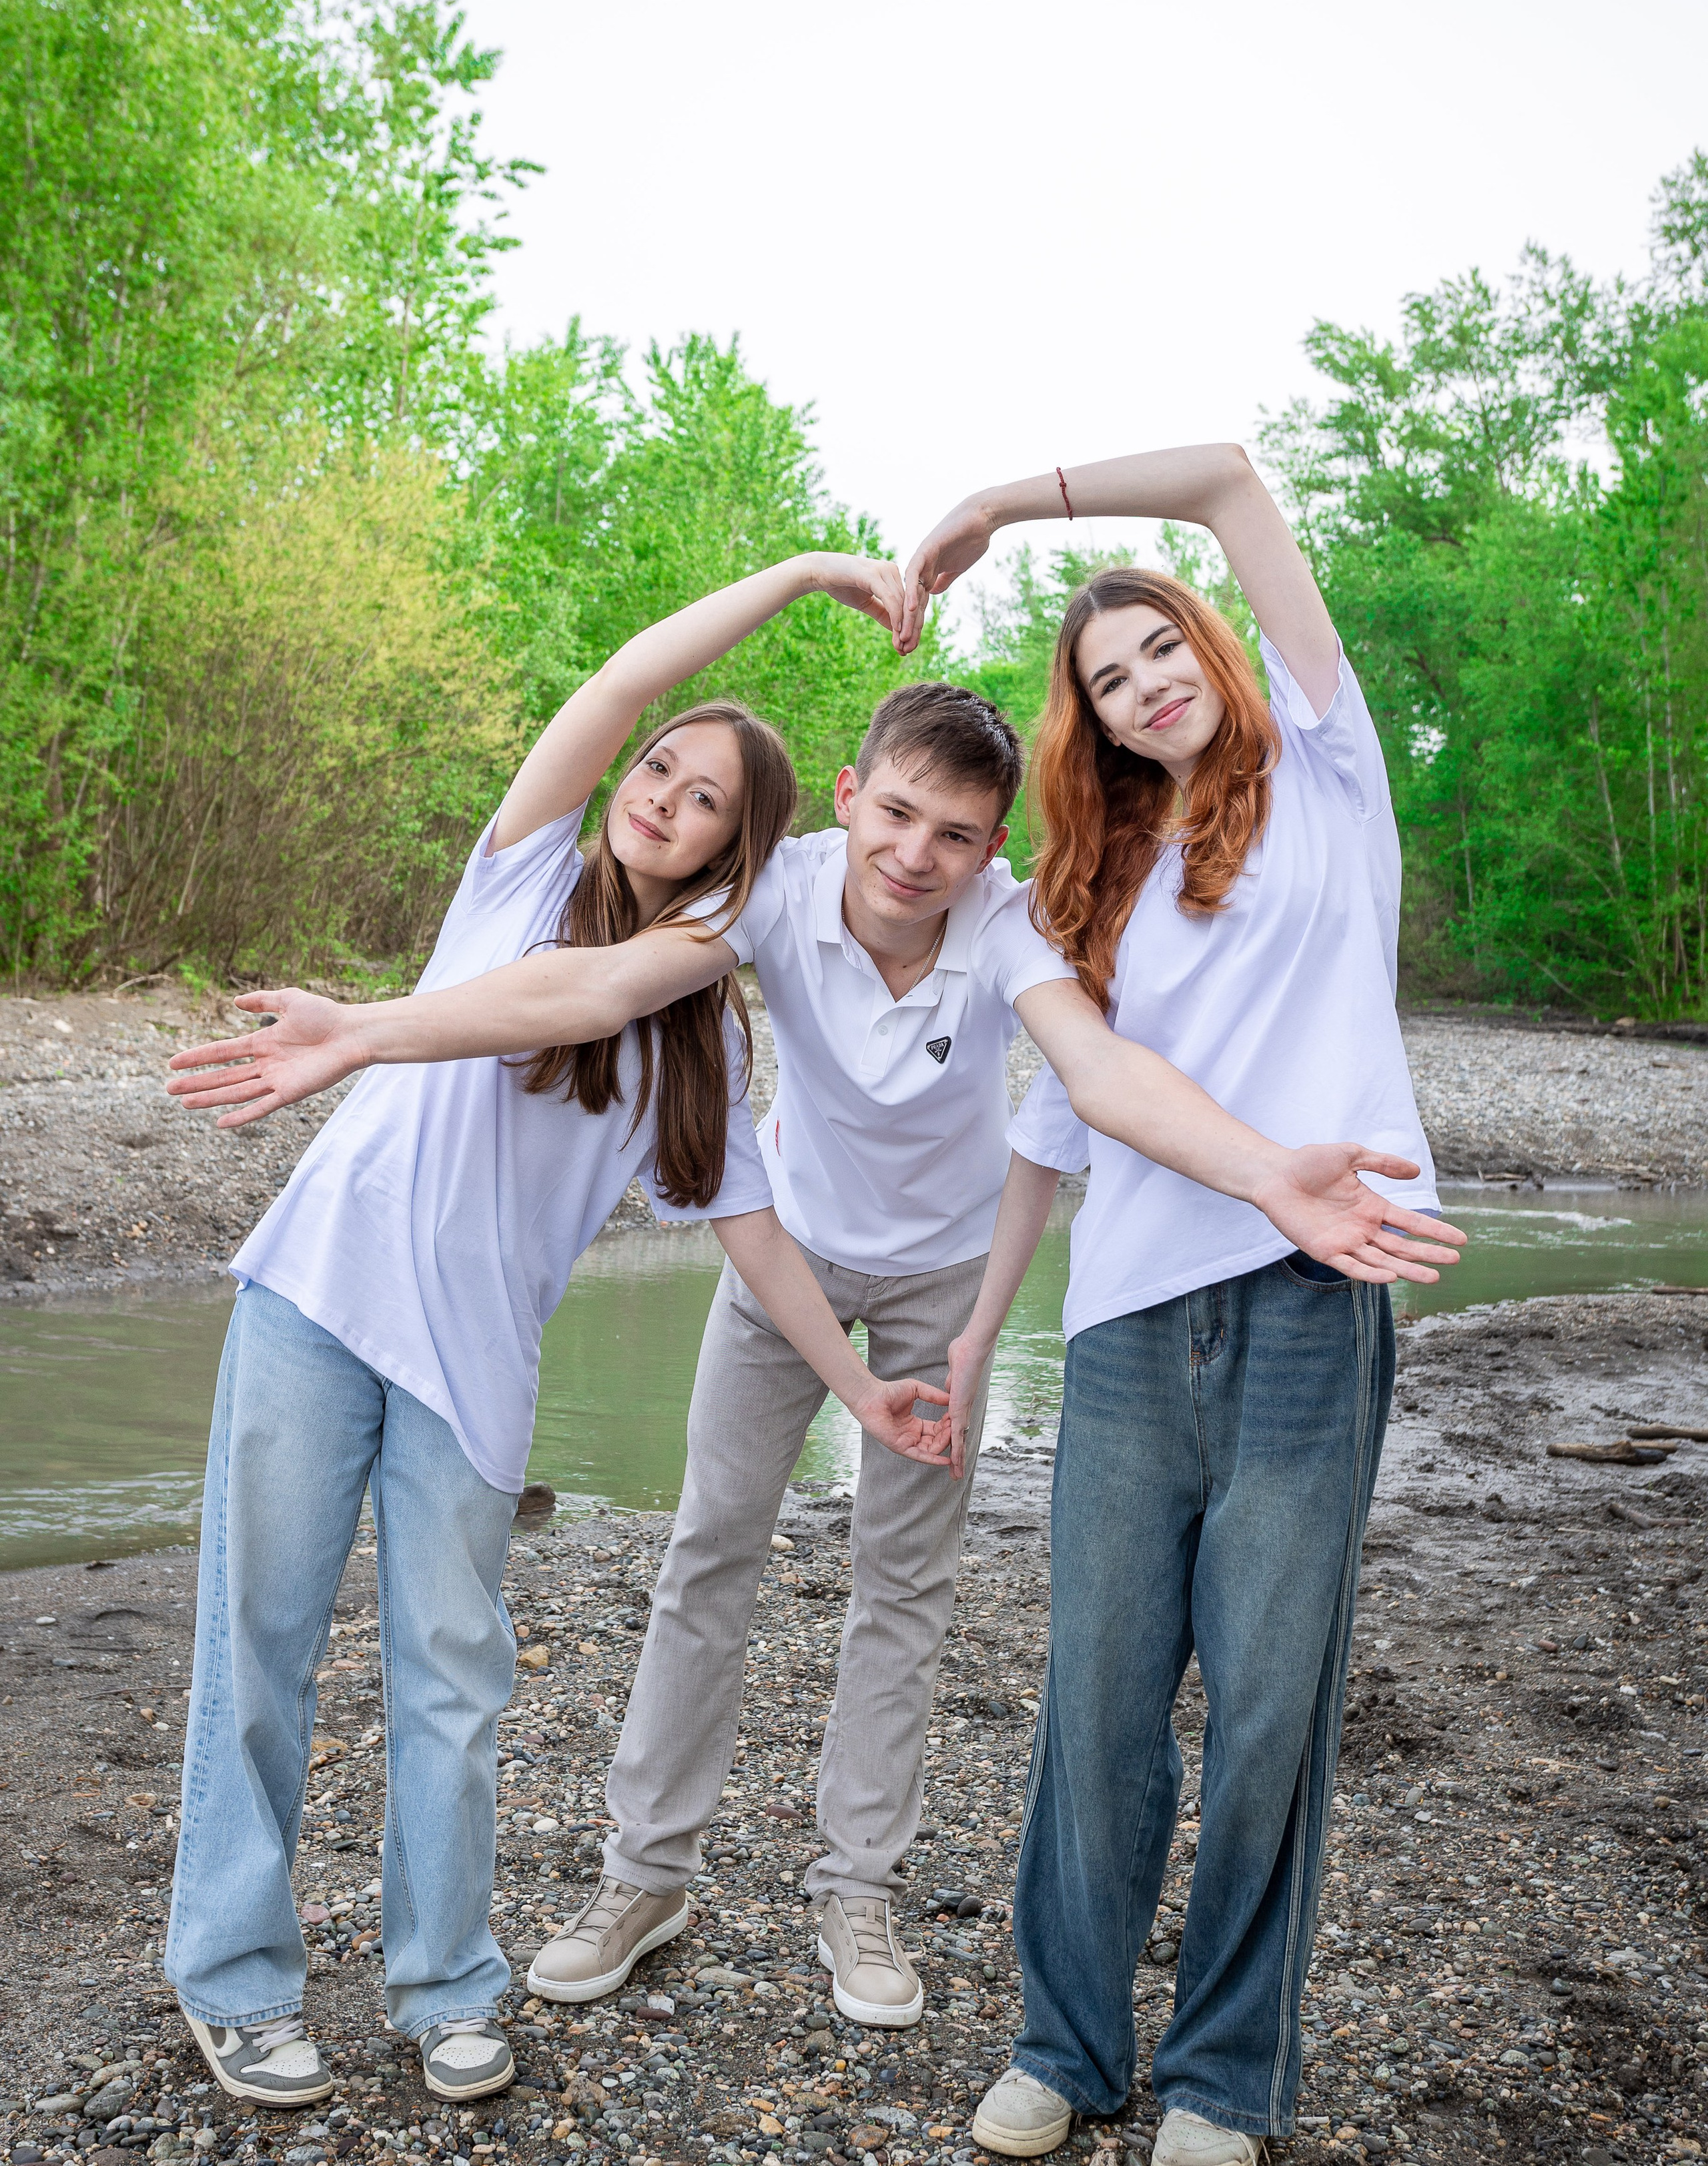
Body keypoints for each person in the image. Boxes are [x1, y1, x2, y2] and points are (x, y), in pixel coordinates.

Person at [173, 651, 1454, 2043]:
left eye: (955, 834)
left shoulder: (1009, 926)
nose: (915, 855)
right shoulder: (777, 890)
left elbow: (1086, 1083)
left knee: (903, 1588)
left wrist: (1229, 1196)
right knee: (704, 1553)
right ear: (848, 798)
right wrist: (364, 1033)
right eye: (895, 814)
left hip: (945, 1278)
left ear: (992, 850)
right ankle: (642, 1879)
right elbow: (596, 990)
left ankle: (858, 1891)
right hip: (786, 1250)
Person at [162, 551, 966, 2111]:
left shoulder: (688, 1031)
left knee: (450, 1680)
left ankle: (444, 1985)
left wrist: (862, 1391)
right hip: (316, 1300)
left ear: (737, 847)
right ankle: (236, 1980)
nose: (663, 796)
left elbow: (753, 1232)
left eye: (706, 799)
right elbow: (619, 681)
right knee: (256, 1651)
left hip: (471, 1372)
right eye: (660, 769)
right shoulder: (520, 874)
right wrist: (802, 577)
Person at [898, 443, 1465, 2166]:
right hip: (1134, 1323)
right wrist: (982, 1332)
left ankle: (1222, 2072)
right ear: (1086, 722)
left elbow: (1225, 478)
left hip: (1314, 1305)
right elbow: (1064, 1125)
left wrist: (1007, 507)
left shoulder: (1333, 776)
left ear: (1210, 649)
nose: (1144, 684)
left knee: (1273, 1708)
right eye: (1105, 677)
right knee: (1099, 1698)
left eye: (1159, 647)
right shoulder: (1075, 892)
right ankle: (1063, 2045)